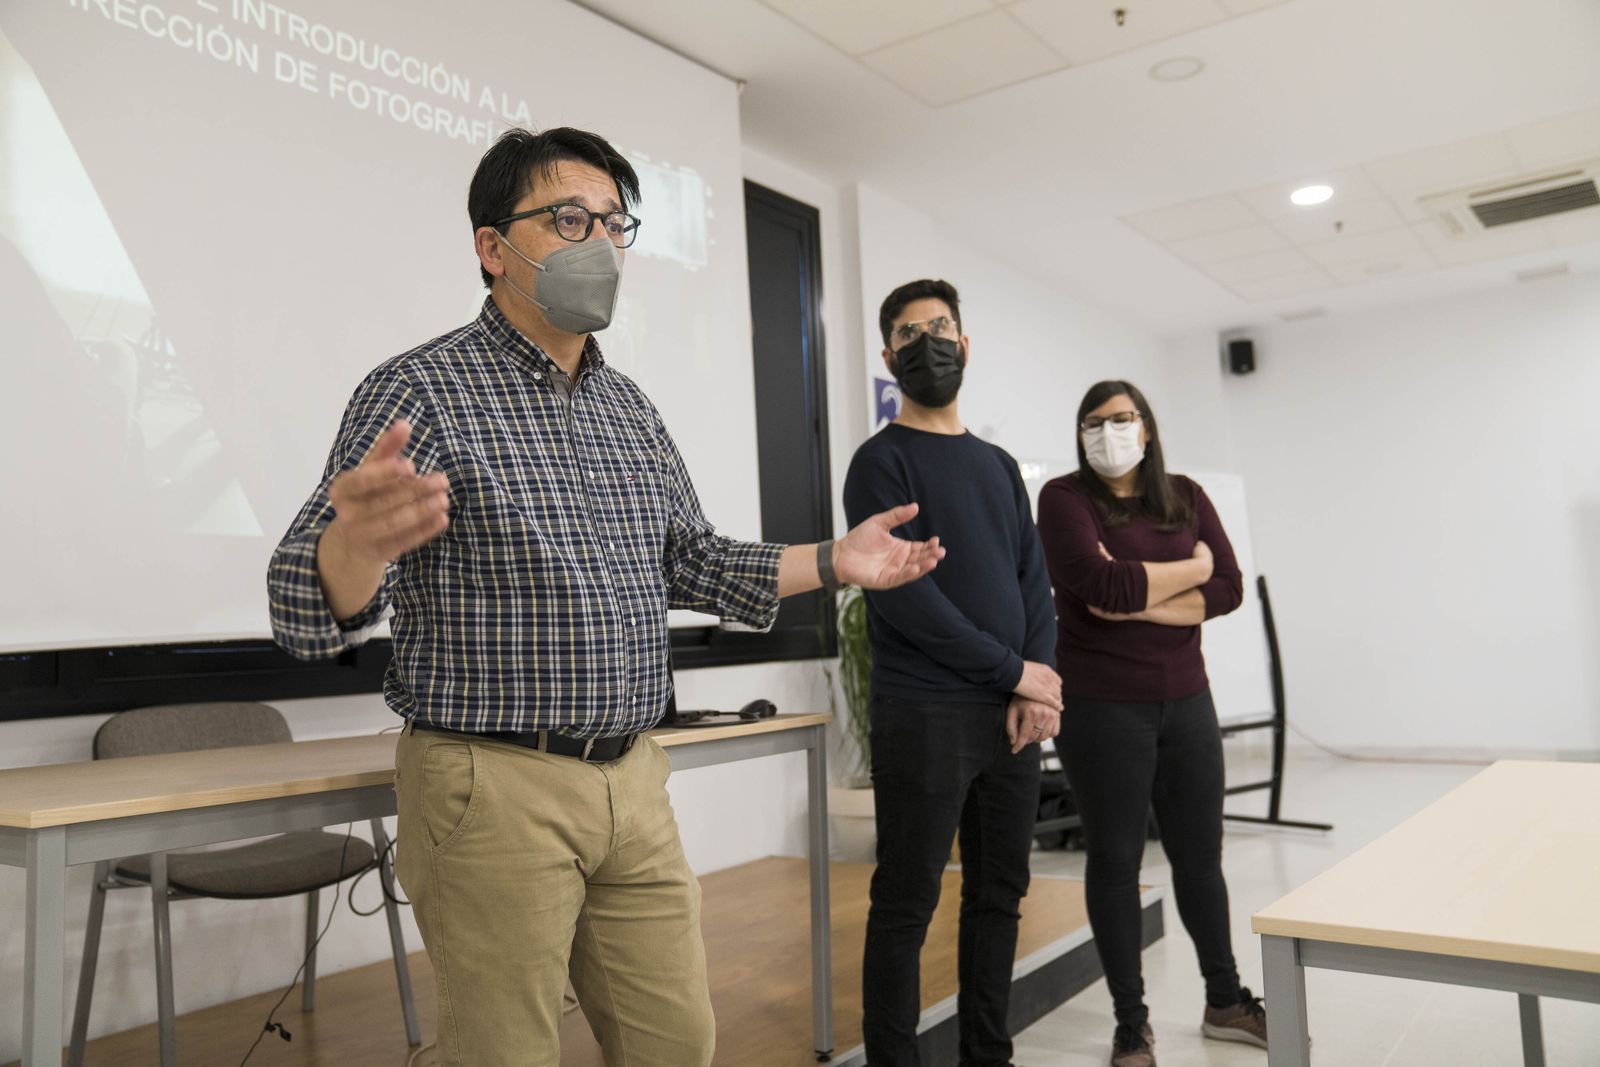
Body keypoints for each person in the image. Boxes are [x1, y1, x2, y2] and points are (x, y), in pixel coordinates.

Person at [267, 127, 944, 1067]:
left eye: (616, 224)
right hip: (490, 781)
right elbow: (304, 599)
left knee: (678, 1041)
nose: (602, 244)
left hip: (633, 774)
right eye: (570, 218)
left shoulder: (629, 409)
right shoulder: (421, 388)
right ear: (492, 246)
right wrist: (356, 543)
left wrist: (837, 560)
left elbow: (694, 562)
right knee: (506, 1051)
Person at [842, 278, 1062, 1067]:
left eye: (940, 328)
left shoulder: (999, 465)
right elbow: (907, 602)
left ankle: (986, 1054)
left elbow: (1032, 578)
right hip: (926, 712)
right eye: (909, 333)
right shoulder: (880, 462)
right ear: (889, 356)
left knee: (999, 895)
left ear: (964, 344)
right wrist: (1015, 672)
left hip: (1010, 714)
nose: (927, 342)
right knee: (906, 903)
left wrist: (1036, 681)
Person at [1034, 380, 1268, 1067]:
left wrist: (1144, 590)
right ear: (1079, 435)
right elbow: (1101, 590)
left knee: (1201, 857)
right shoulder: (1065, 500)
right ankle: (1131, 1023)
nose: (1109, 431)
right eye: (1093, 422)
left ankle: (1224, 999)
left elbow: (1225, 586)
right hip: (1103, 708)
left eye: (1122, 418)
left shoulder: (1187, 495)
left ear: (1147, 426)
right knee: (1114, 859)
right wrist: (1184, 571)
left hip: (1188, 702)